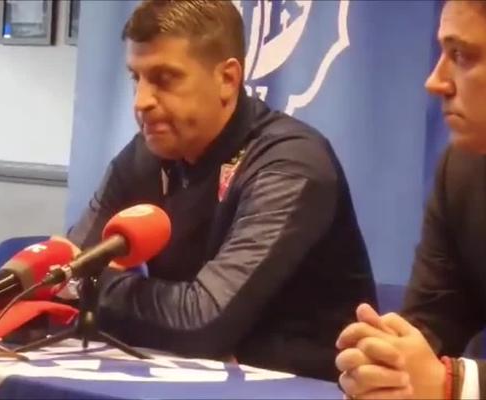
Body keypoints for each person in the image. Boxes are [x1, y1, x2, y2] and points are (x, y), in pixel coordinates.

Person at [67, 0, 376, 381]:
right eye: (136, 77)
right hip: (196, 378)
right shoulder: (149, 152)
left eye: (164, 78)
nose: (142, 101)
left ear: (227, 79)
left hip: (306, 388)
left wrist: (90, 284)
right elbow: (66, 262)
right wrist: (75, 276)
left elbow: (203, 322)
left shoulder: (291, 163)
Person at [335, 0, 486, 398]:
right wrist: (386, 362)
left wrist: (454, 384)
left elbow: (442, 380)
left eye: (462, 56)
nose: (435, 82)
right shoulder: (462, 170)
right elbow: (433, 319)